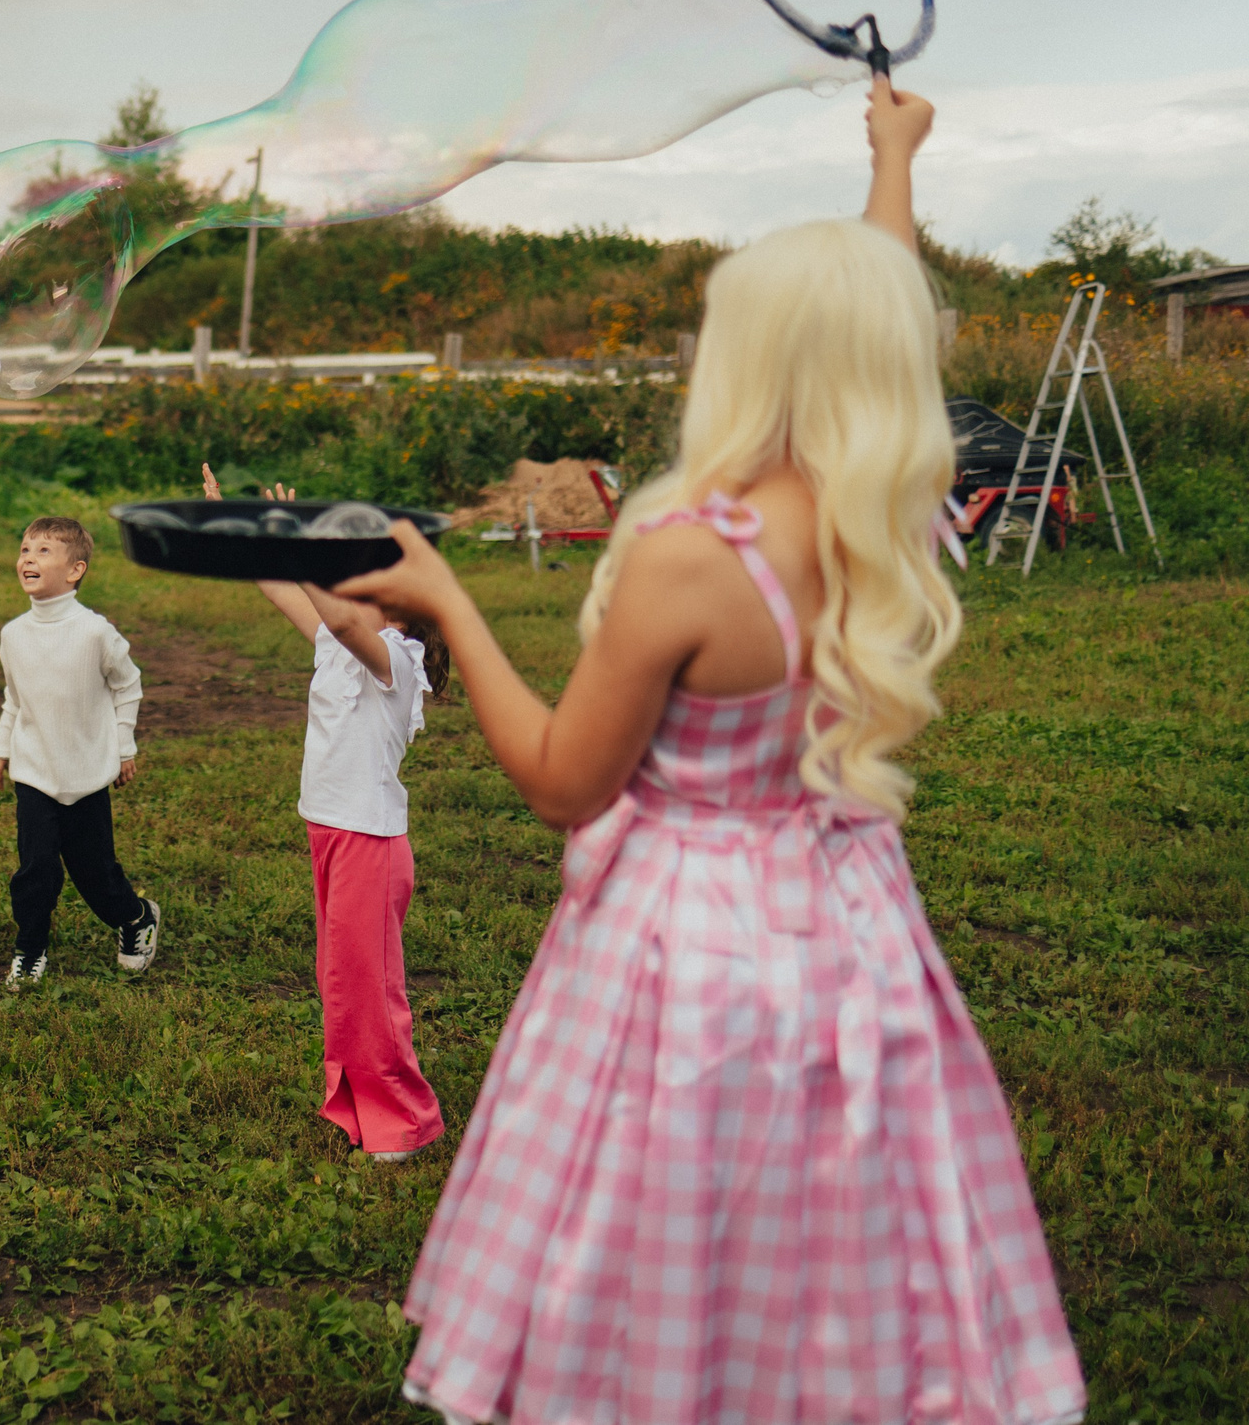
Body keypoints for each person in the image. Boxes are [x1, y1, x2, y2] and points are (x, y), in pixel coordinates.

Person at [335, 79, 1085, 1424]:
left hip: (688, 953)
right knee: (821, 1225)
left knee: (672, 1213)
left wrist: (448, 602)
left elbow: (569, 780)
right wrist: (895, 160)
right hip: (850, 932)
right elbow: (879, 314)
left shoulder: (695, 559)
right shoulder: (887, 513)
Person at [201, 465, 447, 1164]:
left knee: (371, 988)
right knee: (341, 982)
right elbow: (286, 590)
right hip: (331, 829)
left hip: (370, 840)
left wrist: (304, 549)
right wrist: (245, 530)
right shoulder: (339, 646)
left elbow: (337, 613)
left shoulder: (398, 659)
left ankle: (402, 1119)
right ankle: (360, 1105)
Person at [0, 515, 159, 986]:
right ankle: (30, 948)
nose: (28, 559)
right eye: (25, 550)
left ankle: (135, 917)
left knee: (95, 873)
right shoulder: (13, 635)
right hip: (35, 772)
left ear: (75, 569)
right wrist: (0, 747)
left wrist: (124, 747)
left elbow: (128, 686)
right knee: (35, 869)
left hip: (85, 774)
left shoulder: (94, 632)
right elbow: (15, 699)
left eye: (43, 551)